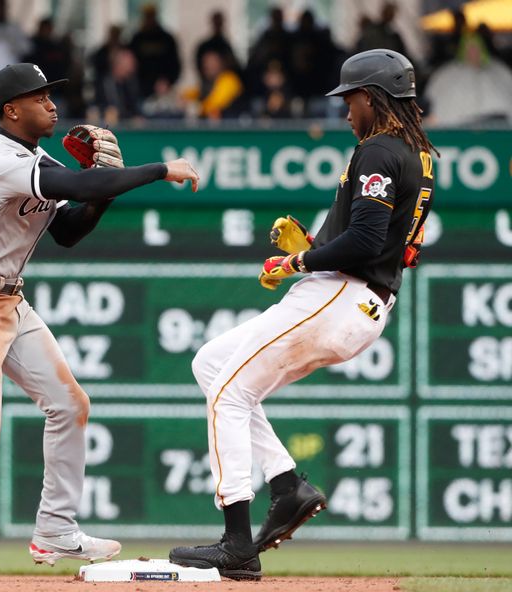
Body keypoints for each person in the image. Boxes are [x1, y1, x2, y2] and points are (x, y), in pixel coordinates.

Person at [0, 62, 199, 582]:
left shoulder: (34, 156)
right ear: (10, 110)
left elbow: (68, 229)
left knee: (70, 404)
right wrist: (157, 170)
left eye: (50, 95)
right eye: (39, 96)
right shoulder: (1, 159)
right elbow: (68, 185)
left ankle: (55, 530)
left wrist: (103, 189)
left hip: (7, 301)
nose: (51, 104)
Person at [169, 48, 436, 581]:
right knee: (210, 364)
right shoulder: (419, 154)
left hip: (339, 295)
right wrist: (319, 244)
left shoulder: (379, 149)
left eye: (351, 98)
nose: (345, 110)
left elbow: (364, 241)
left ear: (372, 97)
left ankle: (237, 544)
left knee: (228, 394)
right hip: (356, 299)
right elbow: (385, 241)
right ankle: (287, 485)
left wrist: (299, 260)